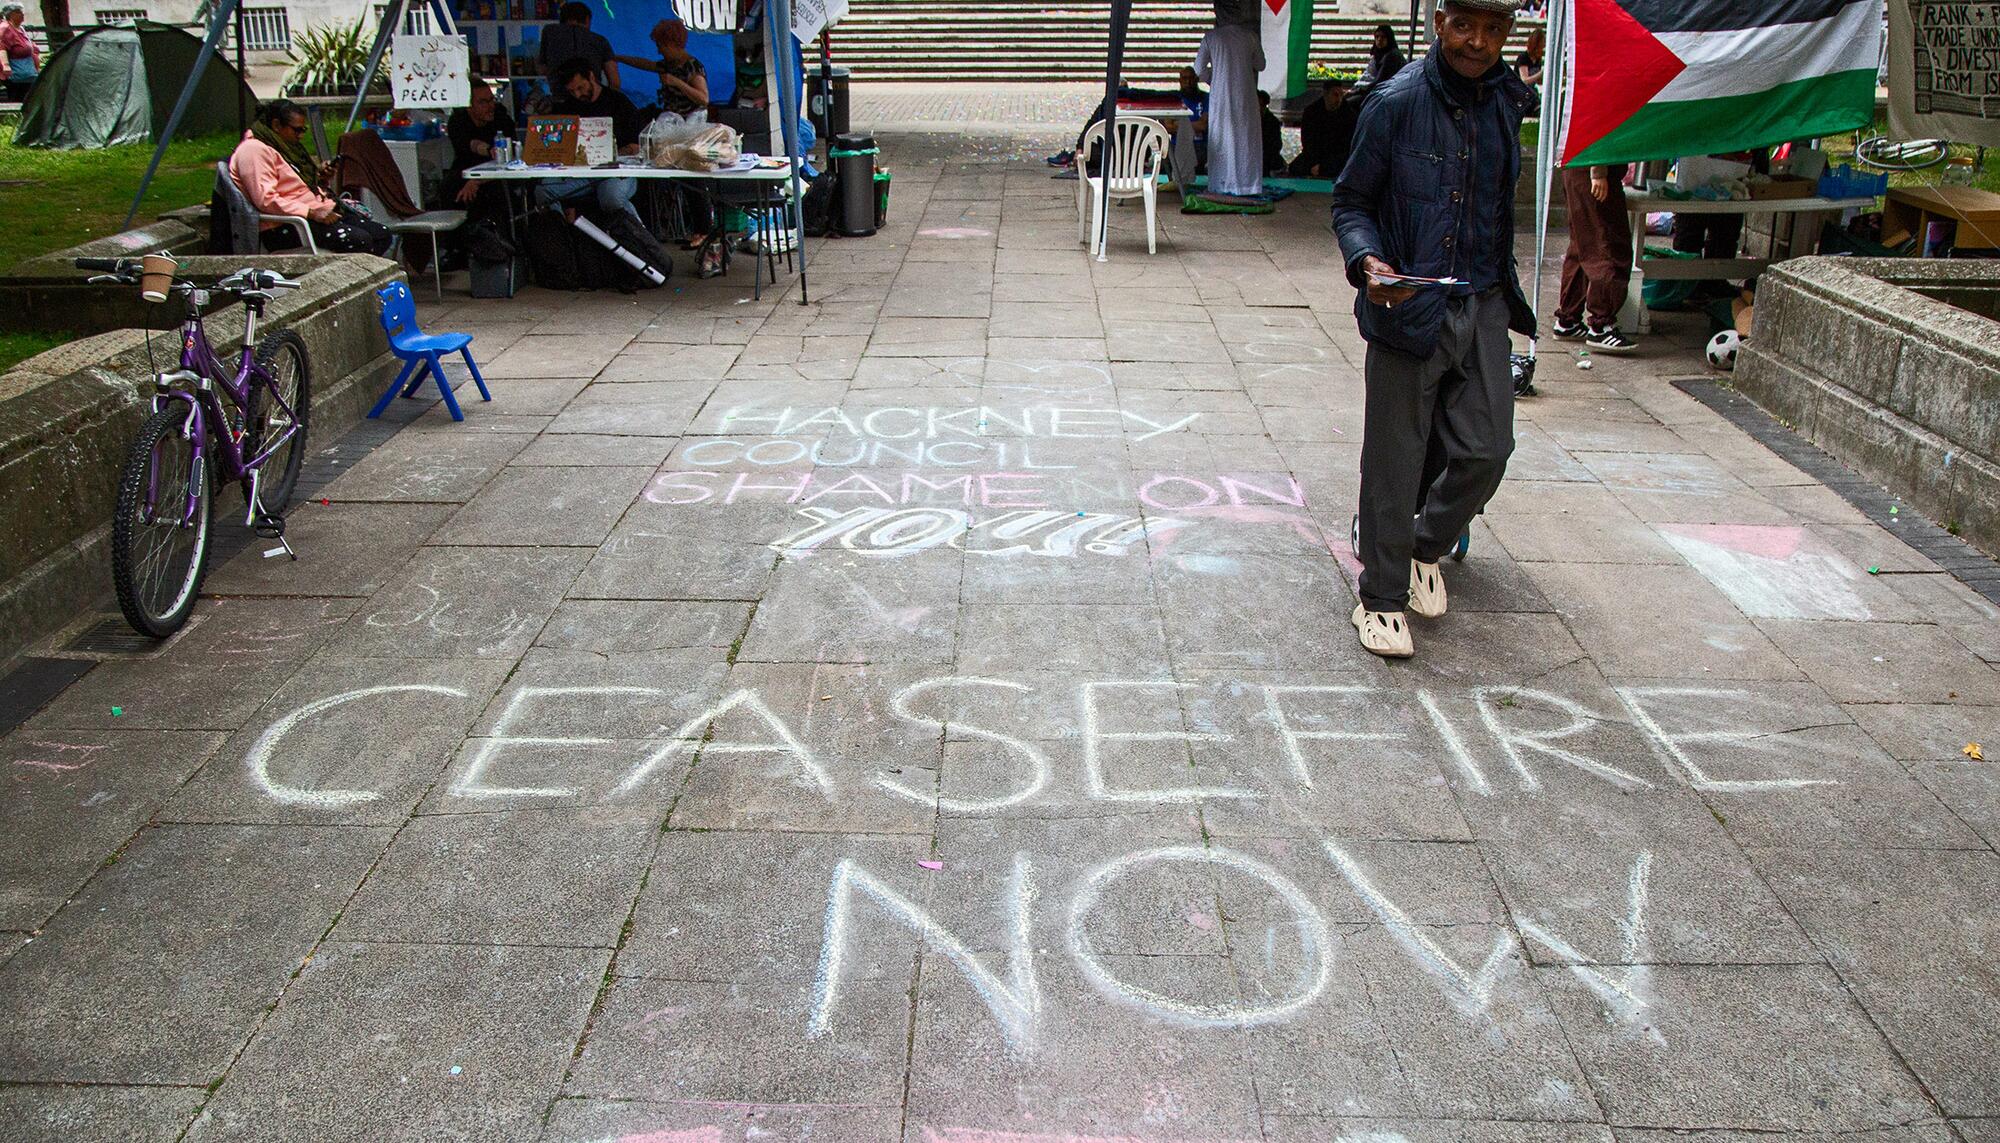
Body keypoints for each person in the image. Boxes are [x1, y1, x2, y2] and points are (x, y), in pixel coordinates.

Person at [1331, 0, 1537, 658]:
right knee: (1394, 459)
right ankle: (1383, 596)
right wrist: (1367, 261)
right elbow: (1351, 201)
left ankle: (1426, 544)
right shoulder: (1395, 102)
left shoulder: (1508, 101)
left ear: (1510, 32)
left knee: (1487, 447)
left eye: (1494, 29)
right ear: (1440, 21)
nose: (1478, 42)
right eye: (1465, 25)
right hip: (1408, 300)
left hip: (1482, 299)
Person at [229, 100, 390, 254]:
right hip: (286, 225)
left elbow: (295, 184)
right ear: (277, 125)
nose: (301, 136)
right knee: (360, 241)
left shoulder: (283, 146)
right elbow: (266, 200)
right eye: (297, 130)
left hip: (318, 210)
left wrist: (321, 178)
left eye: (303, 130)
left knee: (382, 234)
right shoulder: (254, 150)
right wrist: (311, 213)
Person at [541, 59, 646, 225]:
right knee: (543, 191)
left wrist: (621, 151)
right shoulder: (567, 107)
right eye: (572, 91)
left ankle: (640, 241)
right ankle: (563, 237)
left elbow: (640, 145)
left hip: (615, 172)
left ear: (591, 77)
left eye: (580, 87)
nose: (577, 94)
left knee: (611, 198)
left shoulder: (619, 103)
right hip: (580, 174)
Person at [1551, 164, 1637, 353]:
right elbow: (1592, 133)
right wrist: (1598, 172)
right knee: (1607, 244)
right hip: (1593, 167)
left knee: (1583, 244)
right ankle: (1601, 325)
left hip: (1579, 166)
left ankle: (1568, 319)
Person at [1193, 16, 1264, 200]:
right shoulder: (1250, 36)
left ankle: (1221, 182)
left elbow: (1198, 70)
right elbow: (1261, 64)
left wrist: (1214, 78)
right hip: (1245, 94)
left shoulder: (1211, 37)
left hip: (1220, 95)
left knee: (1223, 138)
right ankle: (1247, 184)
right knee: (1245, 140)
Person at [444, 76, 517, 223]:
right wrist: (488, 150)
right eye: (483, 102)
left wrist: (477, 181)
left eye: (491, 100)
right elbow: (469, 144)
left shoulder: (502, 119)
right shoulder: (458, 121)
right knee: (450, 186)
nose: (490, 106)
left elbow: (510, 158)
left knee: (498, 191)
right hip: (465, 170)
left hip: (499, 174)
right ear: (469, 105)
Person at [613, 19, 708, 117]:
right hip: (670, 119)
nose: (659, 51)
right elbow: (646, 64)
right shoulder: (668, 64)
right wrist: (620, 58)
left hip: (688, 122)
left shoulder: (693, 67)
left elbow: (703, 99)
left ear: (671, 44)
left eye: (661, 46)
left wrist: (677, 82)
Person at [1288, 77, 1357, 178]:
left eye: (1341, 95)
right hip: (1315, 155)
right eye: (1335, 95)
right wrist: (1314, 163)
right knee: (1295, 168)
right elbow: (1308, 141)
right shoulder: (1311, 112)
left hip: (1337, 157)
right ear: (1325, 94)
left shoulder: (1349, 114)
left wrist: (1325, 166)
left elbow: (1347, 145)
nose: (1338, 99)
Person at [539, 1, 618, 90]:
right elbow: (614, 81)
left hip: (560, 99)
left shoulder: (549, 32)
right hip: (592, 100)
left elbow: (542, 69)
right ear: (587, 19)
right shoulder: (600, 40)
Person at [1, 2, 39, 103]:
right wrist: (6, 65)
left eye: (22, 12)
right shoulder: (5, 28)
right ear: (11, 14)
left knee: (28, 98)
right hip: (16, 73)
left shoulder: (20, 28)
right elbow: (2, 46)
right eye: (18, 12)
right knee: (18, 99)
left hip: (27, 71)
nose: (22, 14)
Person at [1258, 90, 1285, 176]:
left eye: (1261, 105)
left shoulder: (1272, 122)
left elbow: (1276, 145)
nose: (1258, 108)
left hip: (1268, 157)